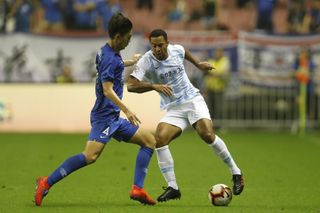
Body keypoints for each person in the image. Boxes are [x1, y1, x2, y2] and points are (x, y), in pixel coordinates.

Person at [34, 13, 157, 206]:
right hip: (104, 117)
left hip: (113, 118)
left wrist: (129, 63)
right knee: (89, 156)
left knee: (149, 141)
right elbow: (108, 90)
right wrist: (127, 110)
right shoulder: (109, 57)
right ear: (118, 37)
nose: (129, 40)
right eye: (128, 37)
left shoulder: (105, 51)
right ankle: (46, 183)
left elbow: (112, 64)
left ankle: (137, 189)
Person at [127, 29, 244, 202]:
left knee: (207, 135)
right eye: (153, 46)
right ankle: (173, 187)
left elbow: (184, 53)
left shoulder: (177, 50)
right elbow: (130, 85)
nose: (157, 49)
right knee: (159, 140)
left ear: (167, 43)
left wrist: (198, 64)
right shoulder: (146, 61)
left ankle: (236, 172)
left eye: (160, 45)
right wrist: (154, 86)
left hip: (192, 100)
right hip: (174, 108)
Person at [205, 48, 231, 122]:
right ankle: (212, 124)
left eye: (219, 52)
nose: (217, 54)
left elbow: (222, 72)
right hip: (210, 87)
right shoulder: (211, 61)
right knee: (210, 107)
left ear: (222, 53)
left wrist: (214, 73)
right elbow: (207, 71)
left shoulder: (225, 61)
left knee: (219, 107)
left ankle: (220, 125)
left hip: (220, 88)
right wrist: (216, 73)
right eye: (216, 53)